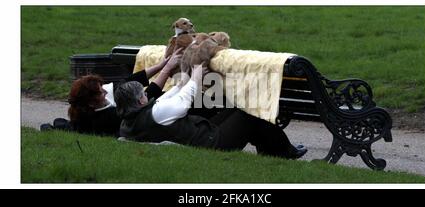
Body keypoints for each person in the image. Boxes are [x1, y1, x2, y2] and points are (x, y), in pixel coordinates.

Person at [114, 63, 308, 159]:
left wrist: (183, 80)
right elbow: (184, 100)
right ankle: (283, 152)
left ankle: (271, 152)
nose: (147, 95)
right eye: (144, 93)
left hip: (199, 136)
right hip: (210, 143)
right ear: (140, 99)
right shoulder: (156, 113)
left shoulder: (128, 122)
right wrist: (197, 74)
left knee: (237, 107)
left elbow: (168, 98)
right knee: (250, 111)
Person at [40, 48, 184, 136]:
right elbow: (147, 95)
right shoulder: (108, 117)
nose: (104, 90)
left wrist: (159, 66)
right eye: (100, 91)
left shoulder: (83, 114)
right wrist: (167, 69)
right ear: (91, 103)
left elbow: (125, 82)